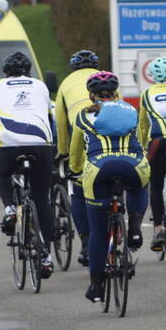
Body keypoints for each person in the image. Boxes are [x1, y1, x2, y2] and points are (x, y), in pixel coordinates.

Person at [69, 71, 149, 302]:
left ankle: (96, 285)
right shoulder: (131, 111)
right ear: (116, 93)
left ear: (90, 95)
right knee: (139, 187)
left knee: (97, 231)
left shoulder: (83, 116)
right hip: (133, 165)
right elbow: (141, 140)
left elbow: (75, 152)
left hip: (97, 169)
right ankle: (134, 228)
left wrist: (75, 171)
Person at [0, 52, 56, 277]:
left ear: (5, 73)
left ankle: (9, 208)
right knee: (41, 200)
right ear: (29, 72)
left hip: (9, 145)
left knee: (1, 174)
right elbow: (50, 120)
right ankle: (46, 256)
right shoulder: (41, 86)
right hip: (41, 145)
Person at [55, 49, 101, 265]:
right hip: (108, 136)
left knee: (79, 188)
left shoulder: (65, 84)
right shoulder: (106, 77)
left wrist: (62, 152)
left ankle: (85, 242)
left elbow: (61, 122)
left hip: (79, 135)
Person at [136, 56, 166, 251]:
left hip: (158, 142)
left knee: (155, 186)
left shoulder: (147, 94)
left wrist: (141, 148)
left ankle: (158, 229)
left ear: (152, 74)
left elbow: (142, 124)